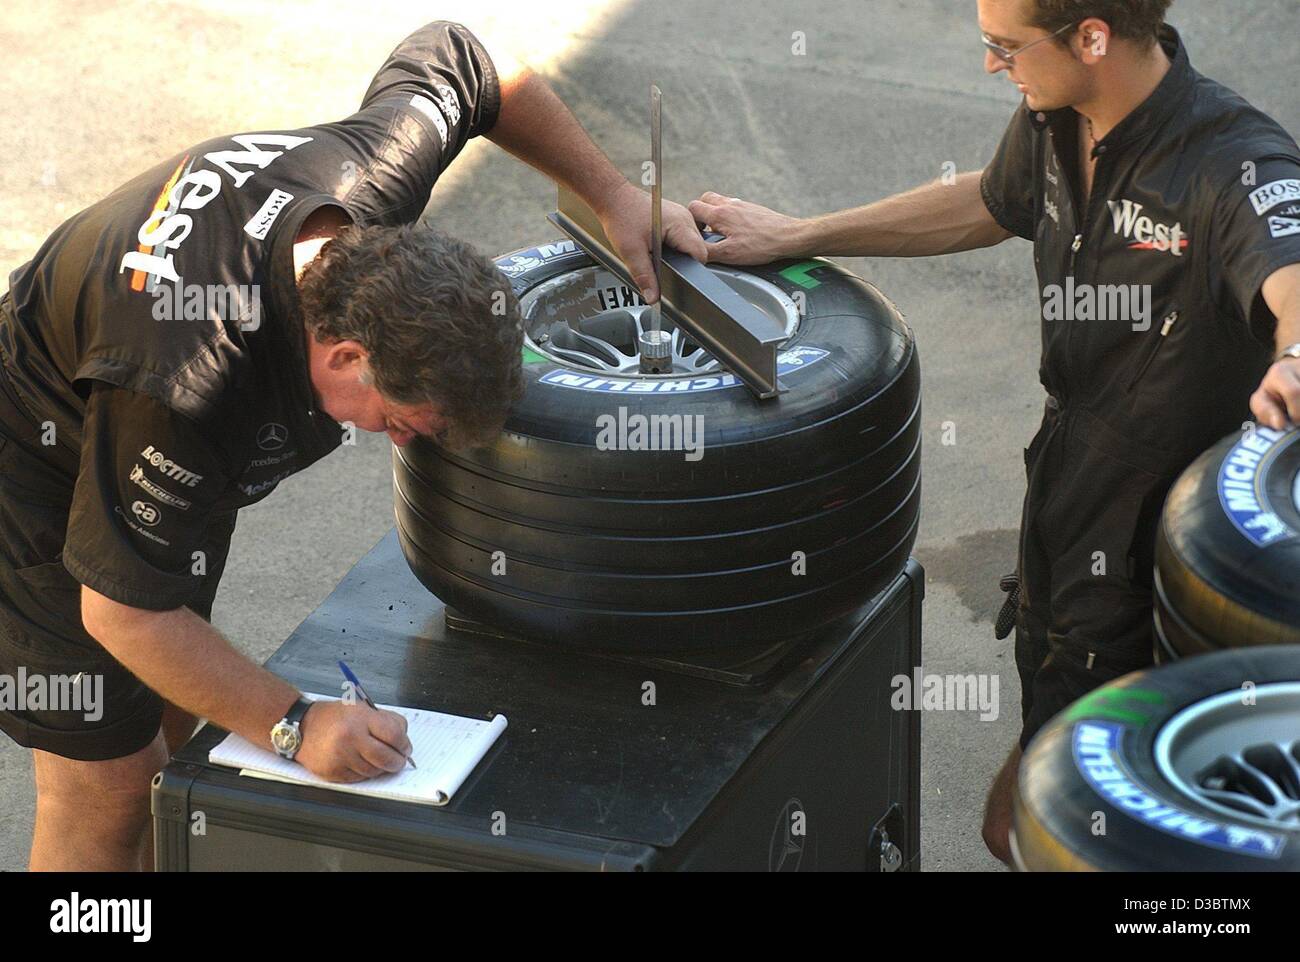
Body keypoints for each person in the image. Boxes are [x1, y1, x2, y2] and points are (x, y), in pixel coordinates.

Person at [0, 19, 708, 870]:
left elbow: (470, 62)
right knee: (108, 784)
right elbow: (121, 611)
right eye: (403, 420)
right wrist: (296, 725)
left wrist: (613, 194)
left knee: (172, 720)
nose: (401, 442)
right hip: (32, 453)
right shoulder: (189, 382)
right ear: (345, 355)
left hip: (142, 387)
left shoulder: (371, 184)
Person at [689, 0, 1300, 864]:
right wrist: (801, 234)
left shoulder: (1234, 161)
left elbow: (1291, 271)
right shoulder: (1059, 114)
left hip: (1145, 561)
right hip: (1059, 505)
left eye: (1005, 47)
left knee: (1043, 833)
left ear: (1092, 37)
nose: (990, 65)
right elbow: (989, 201)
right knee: (1022, 822)